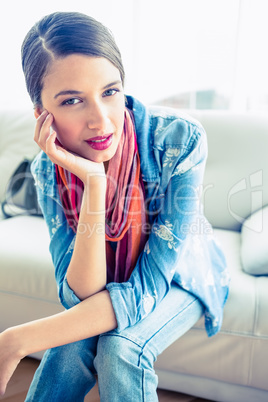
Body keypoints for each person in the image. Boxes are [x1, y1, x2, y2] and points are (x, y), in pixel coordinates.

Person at [0, 11, 230, 401]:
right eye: (72, 100)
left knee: (120, 348)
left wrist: (16, 340)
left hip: (183, 274)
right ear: (42, 116)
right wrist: (93, 182)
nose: (101, 120)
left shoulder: (179, 138)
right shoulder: (47, 171)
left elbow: (146, 289)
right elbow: (80, 296)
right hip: (111, 286)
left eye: (110, 91)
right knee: (69, 344)